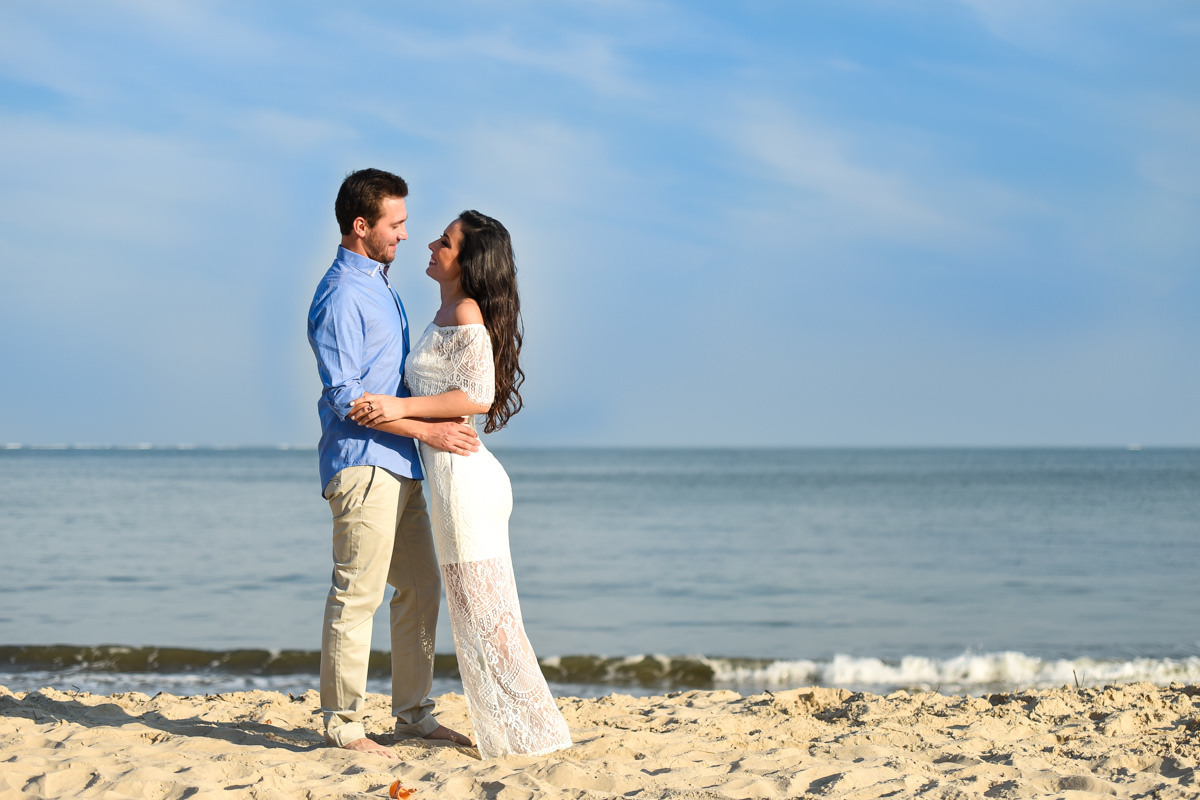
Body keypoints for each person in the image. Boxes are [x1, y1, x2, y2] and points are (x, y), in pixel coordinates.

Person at [348, 210, 572, 759]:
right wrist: (408, 420)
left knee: (489, 618)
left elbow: (476, 395)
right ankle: (517, 736)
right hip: (450, 480)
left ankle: (536, 739)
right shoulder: (448, 308)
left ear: (466, 260)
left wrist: (396, 407)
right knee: (479, 616)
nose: (429, 243)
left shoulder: (465, 309)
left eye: (444, 241)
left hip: (466, 484)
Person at [307, 168, 478, 759]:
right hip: (362, 464)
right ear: (362, 226)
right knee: (357, 593)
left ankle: (411, 716)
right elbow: (347, 399)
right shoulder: (340, 295)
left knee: (423, 587)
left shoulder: (382, 286)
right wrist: (426, 427)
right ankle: (341, 723)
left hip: (401, 465)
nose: (406, 235)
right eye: (396, 223)